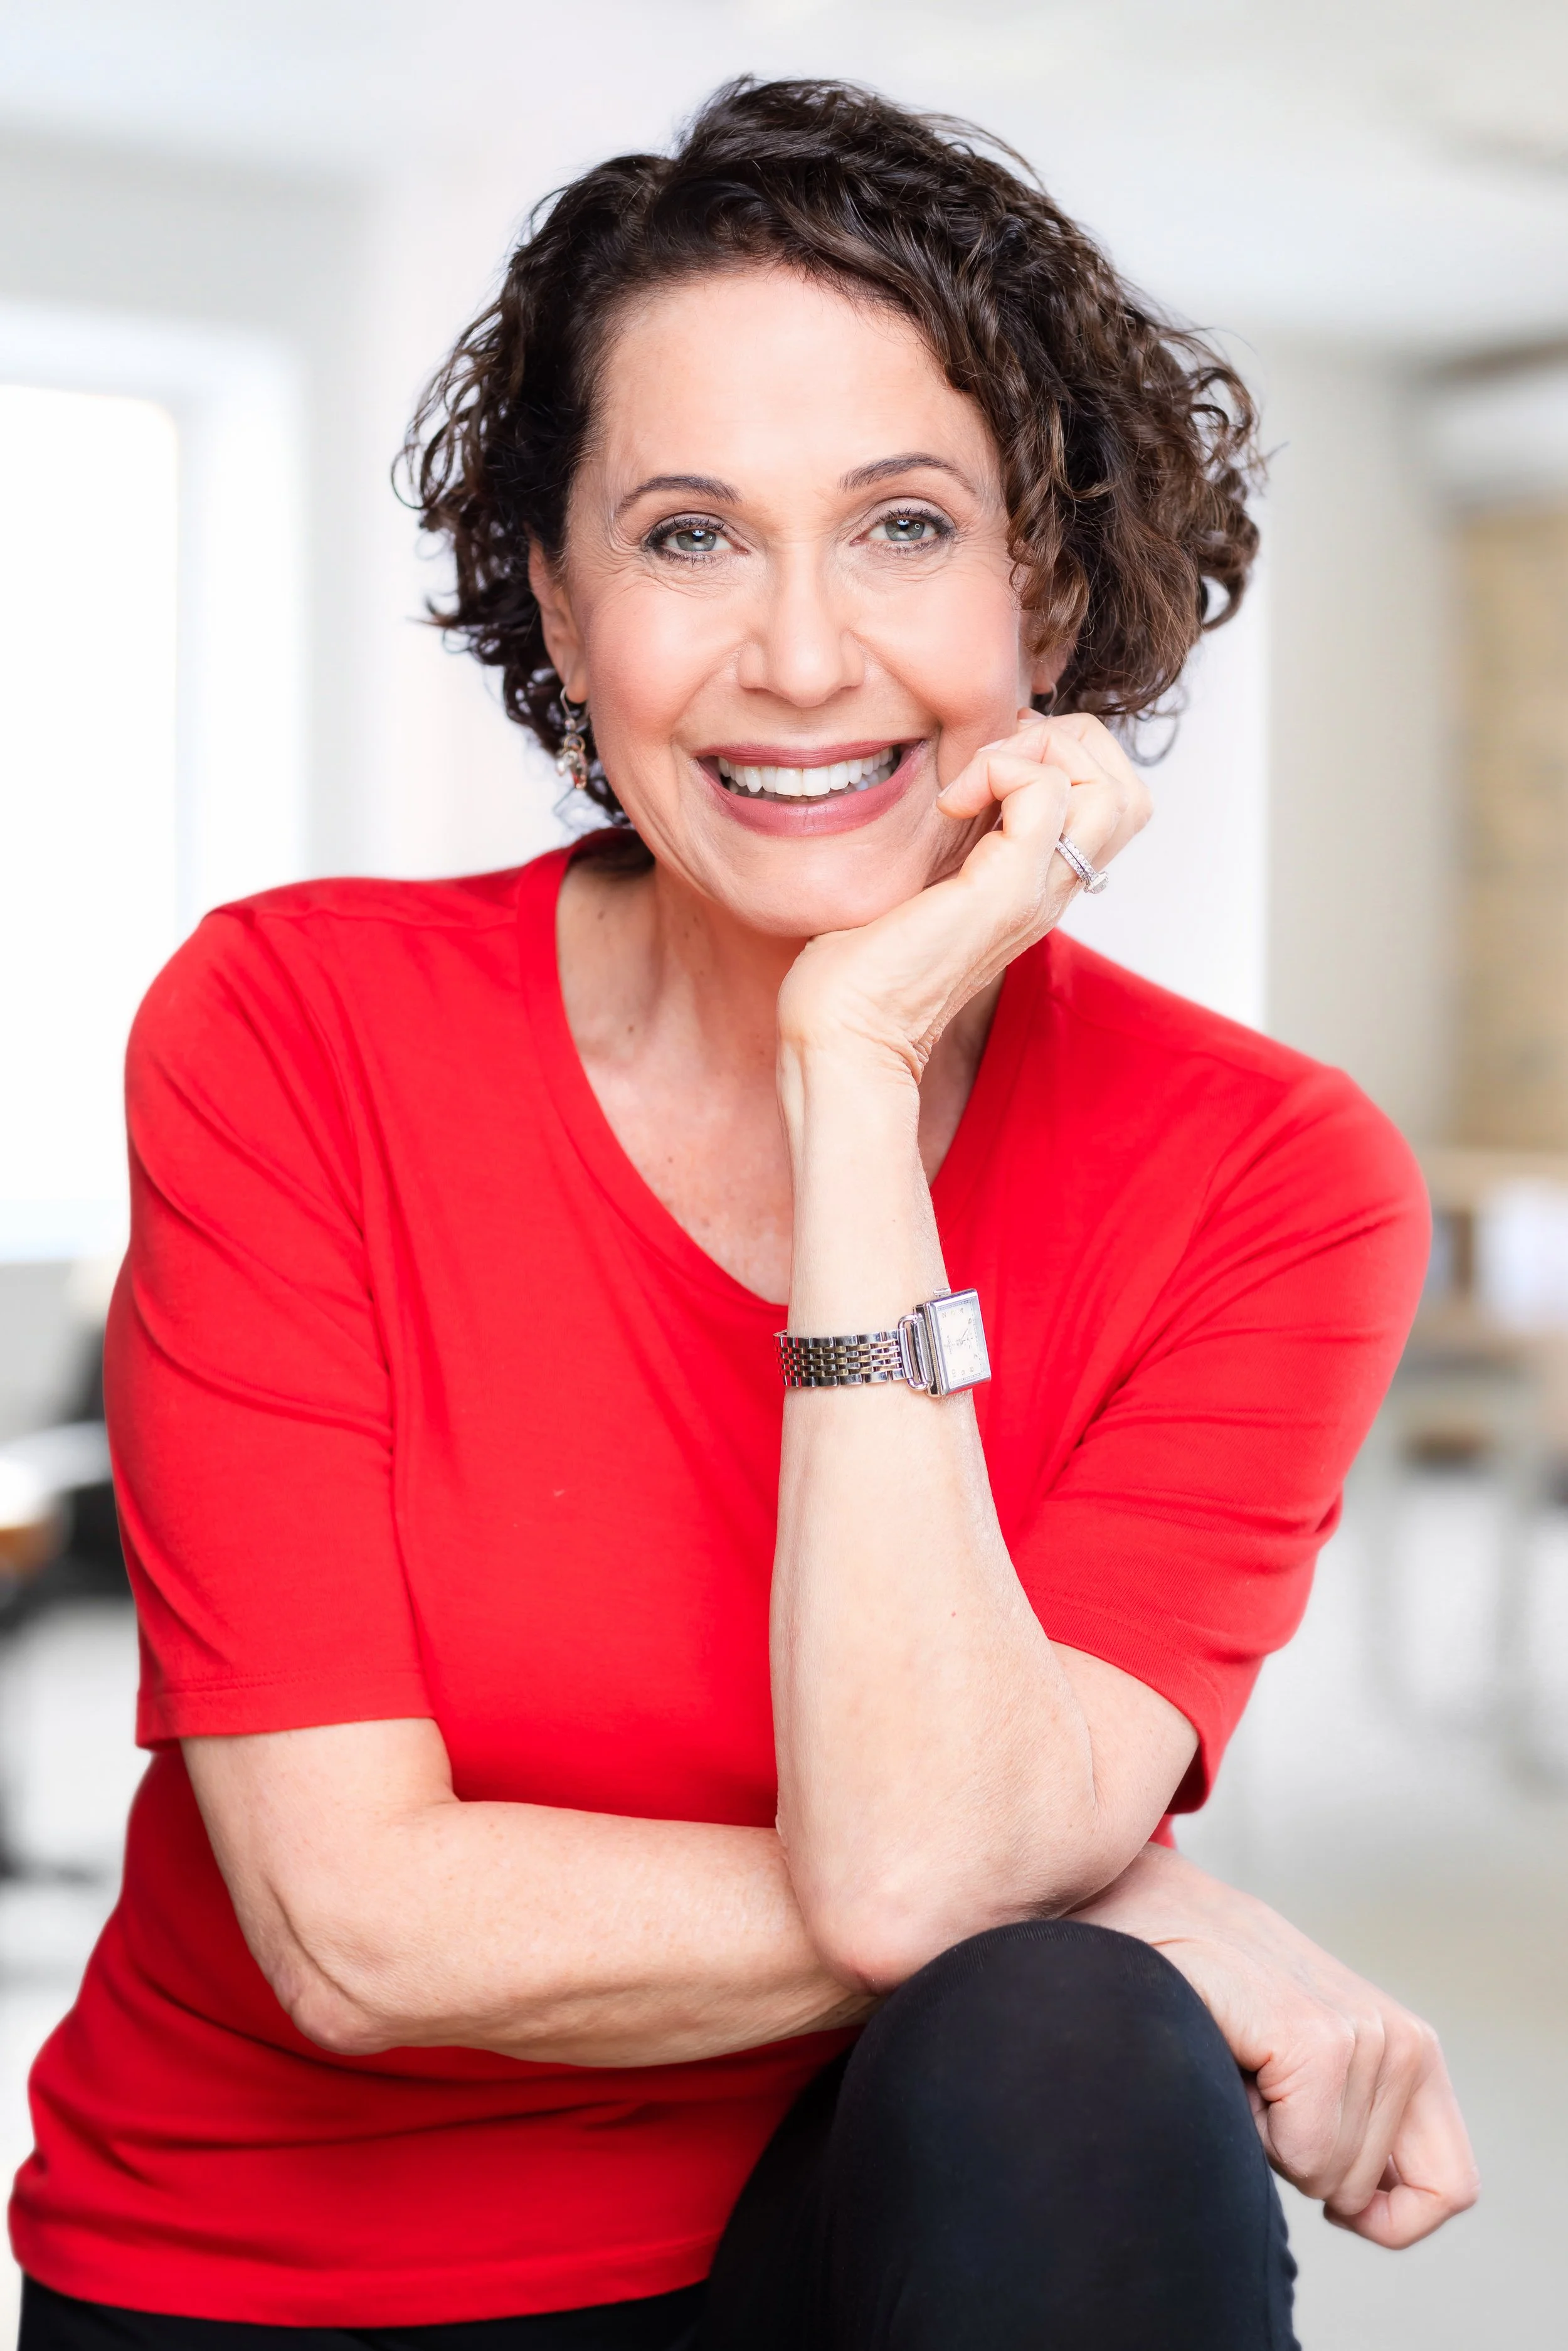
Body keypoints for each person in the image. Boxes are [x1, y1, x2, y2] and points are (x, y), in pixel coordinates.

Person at [11, 77, 1477, 2351]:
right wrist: (1141, 1910)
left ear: (1047, 584)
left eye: (903, 526)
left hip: (860, 2237)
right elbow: (357, 1932)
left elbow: (930, 1883)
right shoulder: (294, 1027)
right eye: (690, 536)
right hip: (277, 2289)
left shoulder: (1268, 1178)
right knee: (1089, 1974)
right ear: (560, 608)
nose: (799, 655)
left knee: (1062, 2044)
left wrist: (856, 1068)